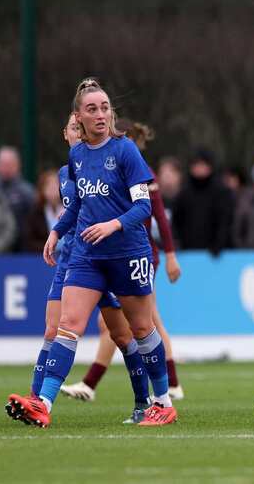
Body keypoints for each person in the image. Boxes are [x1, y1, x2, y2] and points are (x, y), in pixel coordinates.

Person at [6, 78, 177, 427]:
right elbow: (78, 205)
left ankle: (162, 402)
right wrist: (57, 231)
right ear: (78, 117)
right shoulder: (77, 155)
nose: (101, 114)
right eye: (92, 109)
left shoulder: (125, 150)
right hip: (87, 254)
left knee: (141, 328)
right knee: (68, 325)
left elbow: (143, 208)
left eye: (105, 108)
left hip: (127, 253)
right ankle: (44, 405)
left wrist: (113, 225)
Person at [60, 119, 185, 403]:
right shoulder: (82, 163)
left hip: (135, 253)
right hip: (104, 253)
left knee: (144, 323)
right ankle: (168, 386)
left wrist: (170, 255)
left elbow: (157, 214)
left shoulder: (135, 165)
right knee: (136, 323)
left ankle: (98, 384)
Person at [173, 148, 233, 256]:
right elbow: (176, 221)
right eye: (196, 164)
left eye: (202, 164)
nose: (199, 168)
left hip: (216, 254)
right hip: (187, 253)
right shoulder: (184, 193)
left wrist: (219, 244)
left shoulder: (221, 192)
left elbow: (225, 221)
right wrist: (179, 244)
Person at [0, 146, 36, 251]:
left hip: (22, 247)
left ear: (17, 165)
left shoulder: (27, 191)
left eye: (9, 164)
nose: (6, 168)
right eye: (3, 164)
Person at [23, 170, 64, 253]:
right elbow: (30, 241)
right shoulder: (34, 213)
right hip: (41, 259)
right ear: (42, 189)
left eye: (56, 184)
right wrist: (50, 248)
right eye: (48, 185)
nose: (52, 189)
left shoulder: (73, 210)